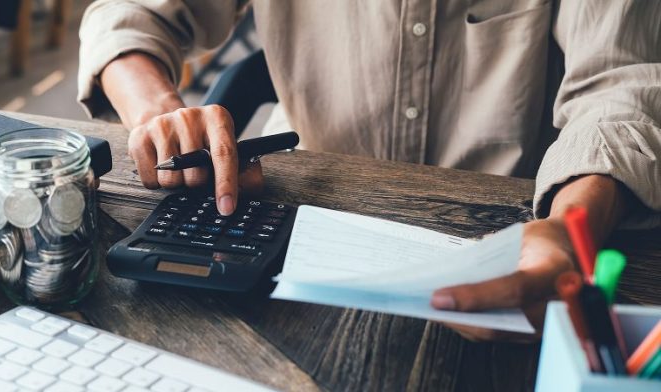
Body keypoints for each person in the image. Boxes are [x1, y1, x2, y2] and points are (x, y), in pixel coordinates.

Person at [77, 1, 661, 340]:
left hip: (514, 232)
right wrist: (159, 114)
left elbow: (621, 86)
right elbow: (130, 14)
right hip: (300, 223)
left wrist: (570, 225)